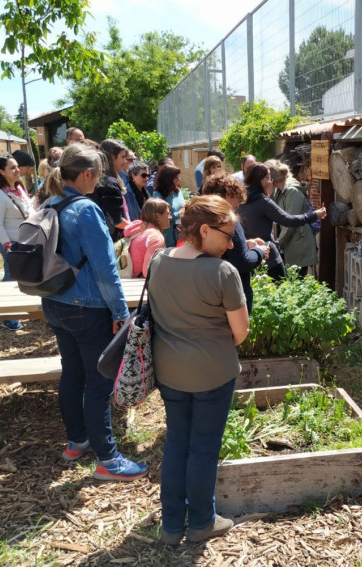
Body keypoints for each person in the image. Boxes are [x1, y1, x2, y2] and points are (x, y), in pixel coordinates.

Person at [41, 144, 148, 481]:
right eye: (99, 175)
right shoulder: (86, 210)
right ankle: (107, 458)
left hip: (55, 303)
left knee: (71, 374)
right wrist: (120, 311)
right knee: (99, 381)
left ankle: (76, 441)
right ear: (88, 174)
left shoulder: (49, 203)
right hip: (87, 309)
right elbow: (106, 270)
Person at [148, 195, 249, 546]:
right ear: (204, 230)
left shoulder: (158, 261)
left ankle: (172, 526)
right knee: (203, 448)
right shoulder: (223, 272)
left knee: (176, 444)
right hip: (212, 374)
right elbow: (240, 332)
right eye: (227, 234)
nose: (232, 242)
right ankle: (203, 521)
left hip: (169, 374)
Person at [238, 163, 326, 280]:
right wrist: (315, 215)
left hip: (251, 255)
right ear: (260, 180)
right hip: (268, 256)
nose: (270, 181)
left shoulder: (242, 199)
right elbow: (288, 220)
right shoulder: (262, 201)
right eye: (268, 178)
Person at [202, 173, 268, 312]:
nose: (238, 204)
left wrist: (245, 243)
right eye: (235, 197)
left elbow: (228, 250)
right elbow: (243, 262)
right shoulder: (229, 221)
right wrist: (260, 251)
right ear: (226, 194)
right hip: (234, 295)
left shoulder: (203, 219)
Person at [0, 155, 34, 331]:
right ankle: (8, 316)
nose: (17, 171)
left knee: (20, 277)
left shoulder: (19, 188)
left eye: (17, 167)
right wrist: (8, 245)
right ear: (1, 171)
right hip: (11, 243)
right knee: (10, 278)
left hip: (24, 241)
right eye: (12, 168)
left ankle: (15, 310)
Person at [267, 159, 318, 278]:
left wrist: (278, 243)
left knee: (297, 281)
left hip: (298, 242)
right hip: (291, 242)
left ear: (272, 178)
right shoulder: (280, 190)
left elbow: (290, 222)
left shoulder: (291, 191)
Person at [92, 139, 131, 242]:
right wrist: (138, 227)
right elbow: (117, 221)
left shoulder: (97, 179)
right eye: (122, 157)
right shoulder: (109, 183)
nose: (125, 161)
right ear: (112, 158)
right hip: (112, 240)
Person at [122, 198, 170, 278]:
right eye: (167, 214)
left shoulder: (139, 230)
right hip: (138, 285)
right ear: (157, 216)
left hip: (125, 280)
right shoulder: (155, 237)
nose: (170, 217)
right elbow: (149, 272)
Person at [152, 165, 185, 248]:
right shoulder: (158, 195)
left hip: (181, 234)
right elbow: (159, 218)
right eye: (176, 177)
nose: (179, 179)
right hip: (168, 237)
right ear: (168, 179)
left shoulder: (178, 191)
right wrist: (177, 214)